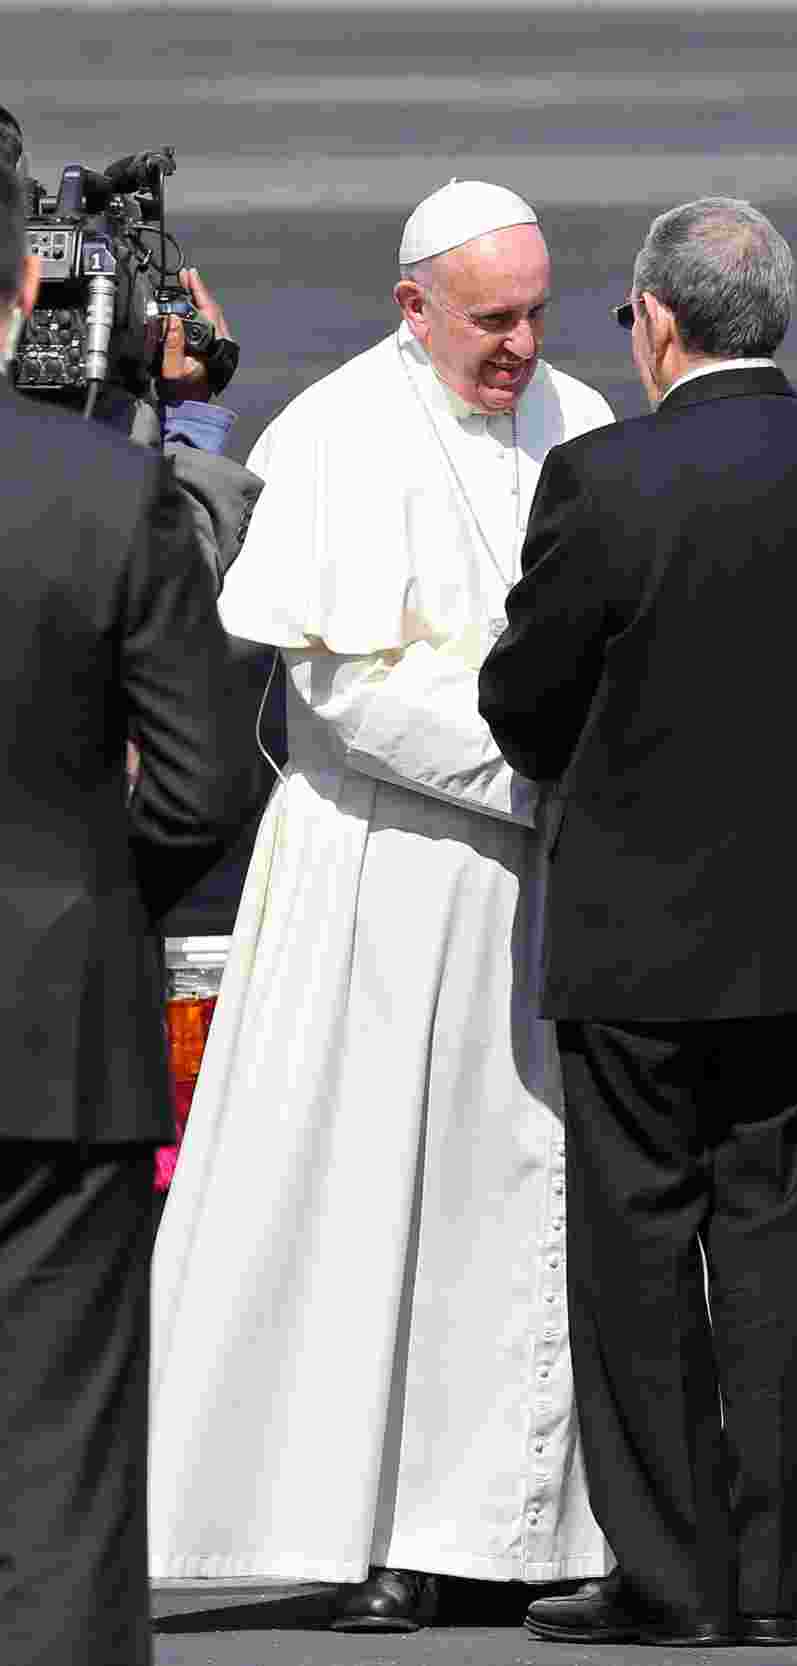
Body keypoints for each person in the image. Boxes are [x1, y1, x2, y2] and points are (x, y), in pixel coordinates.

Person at [147, 179, 615, 1630]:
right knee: (371, 1204)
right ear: (413, 306)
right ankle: (374, 1531)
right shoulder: (335, 431)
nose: (519, 347)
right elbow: (345, 691)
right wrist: (539, 783)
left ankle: (514, 1528)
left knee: (516, 1207)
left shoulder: (583, 420)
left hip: (535, 886)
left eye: (535, 315)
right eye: (490, 320)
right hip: (382, 865)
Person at [479, 197, 797, 1648]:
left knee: (637, 1256)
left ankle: (674, 1578)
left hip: (633, 934)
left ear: (658, 323)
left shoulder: (601, 477)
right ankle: (784, 1580)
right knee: (781, 1254)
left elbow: (522, 699)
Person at [0, 160, 264, 1666]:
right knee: (63, 1461)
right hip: (57, 1025)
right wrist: (101, 904)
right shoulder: (108, 490)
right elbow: (201, 784)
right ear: (29, 283)